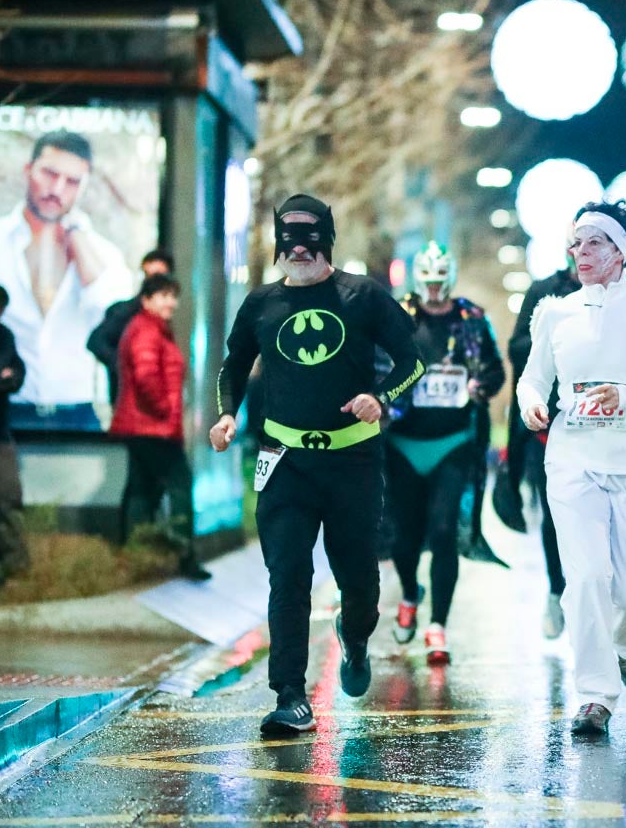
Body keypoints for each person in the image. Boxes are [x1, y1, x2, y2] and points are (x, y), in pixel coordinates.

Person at [210, 193, 424, 736]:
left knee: (358, 583)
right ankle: (289, 694)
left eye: (309, 241)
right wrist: (227, 416)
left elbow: (412, 360)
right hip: (283, 462)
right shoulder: (261, 303)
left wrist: (382, 397)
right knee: (288, 576)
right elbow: (232, 366)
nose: (298, 251)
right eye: (289, 241)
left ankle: (354, 638)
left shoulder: (362, 296)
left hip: (352, 460)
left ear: (326, 241)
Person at [517, 200, 626, 738]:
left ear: (621, 251)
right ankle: (595, 696)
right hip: (573, 461)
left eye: (593, 242)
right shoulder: (554, 312)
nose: (581, 252)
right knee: (587, 577)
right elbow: (532, 377)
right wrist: (530, 403)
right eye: (575, 243)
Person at [386, 243, 505, 664]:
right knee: (405, 536)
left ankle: (438, 625)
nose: (435, 290)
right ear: (419, 281)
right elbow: (377, 362)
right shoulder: (399, 314)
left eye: (441, 281)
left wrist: (480, 387)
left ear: (449, 279)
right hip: (403, 443)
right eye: (428, 282)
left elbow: (494, 369)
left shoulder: (471, 318)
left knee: (442, 531)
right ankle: (409, 592)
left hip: (453, 443)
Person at [0, 131, 130, 416]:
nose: (56, 189)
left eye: (72, 182)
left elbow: (114, 316)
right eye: (49, 173)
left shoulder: (103, 254)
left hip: (78, 411)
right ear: (28, 170)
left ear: (84, 188)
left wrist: (77, 240)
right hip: (6, 406)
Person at [109, 273, 210, 581]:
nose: (171, 302)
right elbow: (146, 377)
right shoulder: (146, 332)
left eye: (173, 296)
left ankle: (133, 558)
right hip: (153, 428)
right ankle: (184, 557)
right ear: (146, 299)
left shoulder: (151, 328)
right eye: (164, 295)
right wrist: (165, 410)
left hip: (142, 427)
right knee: (180, 484)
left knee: (140, 491)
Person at [501, 251, 578, 638]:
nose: (584, 253)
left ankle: (604, 601)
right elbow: (516, 349)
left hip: (606, 429)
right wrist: (551, 342)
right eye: (578, 244)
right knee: (553, 514)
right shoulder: (544, 293)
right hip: (549, 426)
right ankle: (556, 589)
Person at [88, 249, 175, 404]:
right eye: (148, 276)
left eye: (158, 278)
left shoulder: (161, 320)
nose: (152, 283)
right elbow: (96, 341)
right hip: (134, 407)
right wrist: (124, 366)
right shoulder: (129, 315)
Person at [0, 284, 26, 587]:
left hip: (0, 432)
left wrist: (7, 378)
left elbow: (15, 371)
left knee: (8, 497)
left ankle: (13, 568)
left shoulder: (4, 336)